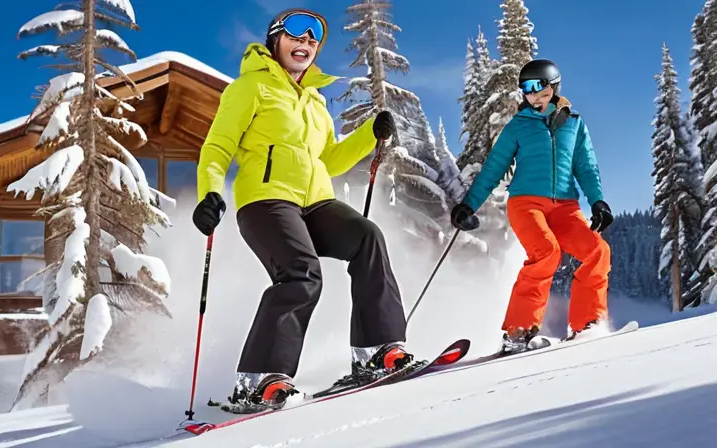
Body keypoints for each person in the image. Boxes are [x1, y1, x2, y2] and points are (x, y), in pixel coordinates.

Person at [191, 8, 416, 413]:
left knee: (367, 237)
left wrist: (370, 134)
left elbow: (327, 160)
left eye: (314, 40)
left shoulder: (315, 102)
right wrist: (209, 193)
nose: (306, 43)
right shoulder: (250, 88)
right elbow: (217, 146)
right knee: (301, 272)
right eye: (297, 36)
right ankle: (261, 378)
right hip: (266, 199)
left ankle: (377, 350)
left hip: (314, 201)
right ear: (275, 40)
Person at [450, 59, 614, 354]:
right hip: (526, 203)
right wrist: (469, 205)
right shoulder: (518, 127)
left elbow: (586, 167)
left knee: (597, 252)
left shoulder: (574, 123)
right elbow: (493, 168)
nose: (533, 96)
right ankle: (518, 332)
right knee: (546, 253)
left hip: (565, 207)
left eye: (540, 89)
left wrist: (598, 201)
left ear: (554, 87)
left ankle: (587, 325)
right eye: (526, 90)